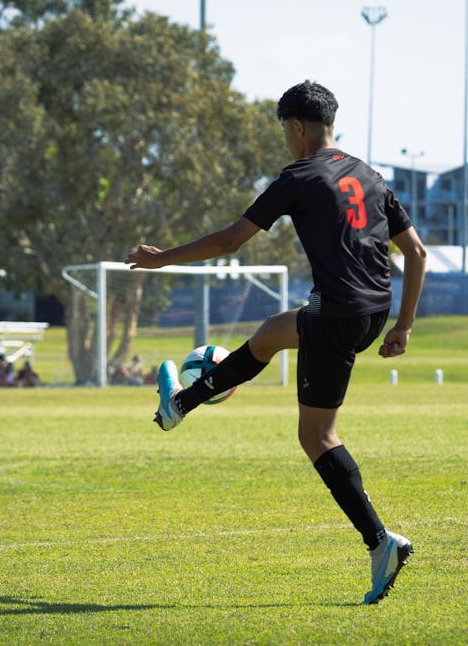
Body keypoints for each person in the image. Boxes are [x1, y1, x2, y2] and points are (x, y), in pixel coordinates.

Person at [125, 81, 428, 605]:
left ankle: (381, 543)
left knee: (318, 437)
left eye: (284, 131)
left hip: (337, 314)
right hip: (372, 310)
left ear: (297, 127)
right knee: (270, 333)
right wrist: (403, 327)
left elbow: (228, 240)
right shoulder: (372, 176)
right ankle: (179, 406)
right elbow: (417, 253)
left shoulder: (300, 175)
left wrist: (161, 259)